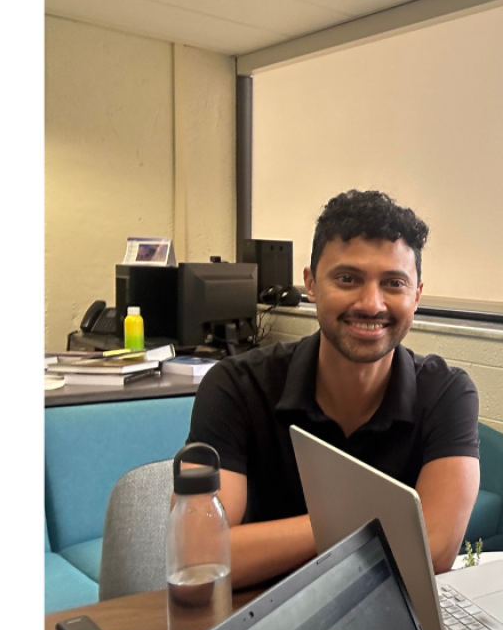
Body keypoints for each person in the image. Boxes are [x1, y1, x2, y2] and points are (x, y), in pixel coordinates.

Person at [186, 190, 481, 587]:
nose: (371, 303)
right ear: (311, 283)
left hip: (386, 621)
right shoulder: (236, 387)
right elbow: (201, 556)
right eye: (348, 278)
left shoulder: (447, 393)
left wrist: (279, 540)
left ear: (416, 296)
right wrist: (367, 521)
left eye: (393, 283)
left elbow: (434, 548)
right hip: (257, 620)